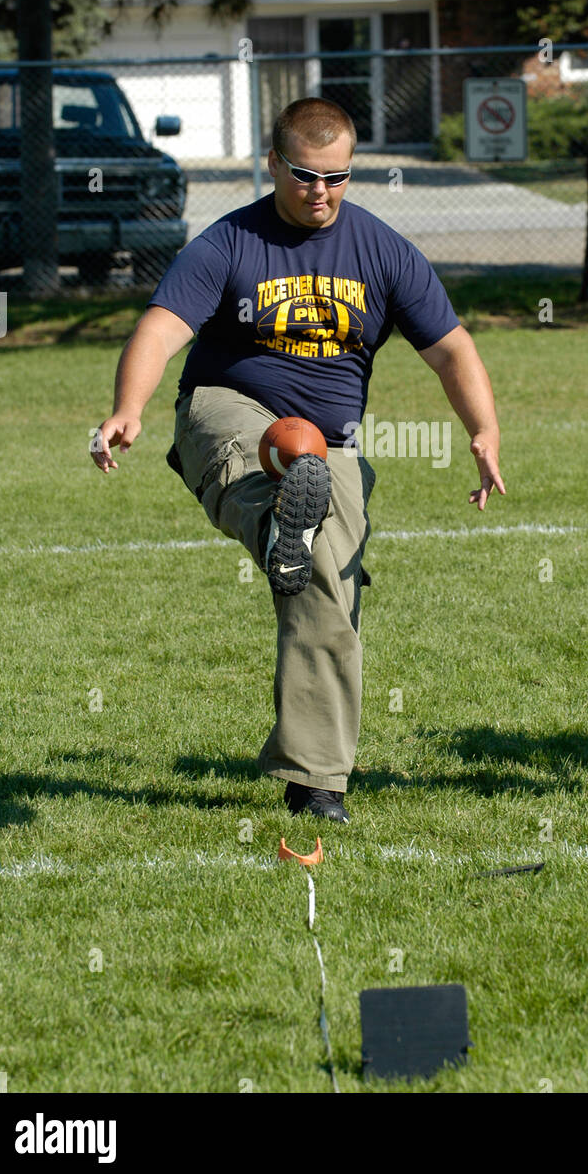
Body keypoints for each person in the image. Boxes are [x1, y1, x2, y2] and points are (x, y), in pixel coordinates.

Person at [91, 97, 505, 823]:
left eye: (338, 178)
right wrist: (128, 408)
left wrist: (483, 429)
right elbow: (160, 329)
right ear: (276, 162)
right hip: (229, 410)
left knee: (326, 588)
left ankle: (316, 780)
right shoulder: (228, 243)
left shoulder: (383, 250)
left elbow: (451, 348)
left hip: (331, 442)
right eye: (307, 177)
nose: (322, 193)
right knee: (273, 473)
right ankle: (280, 516)